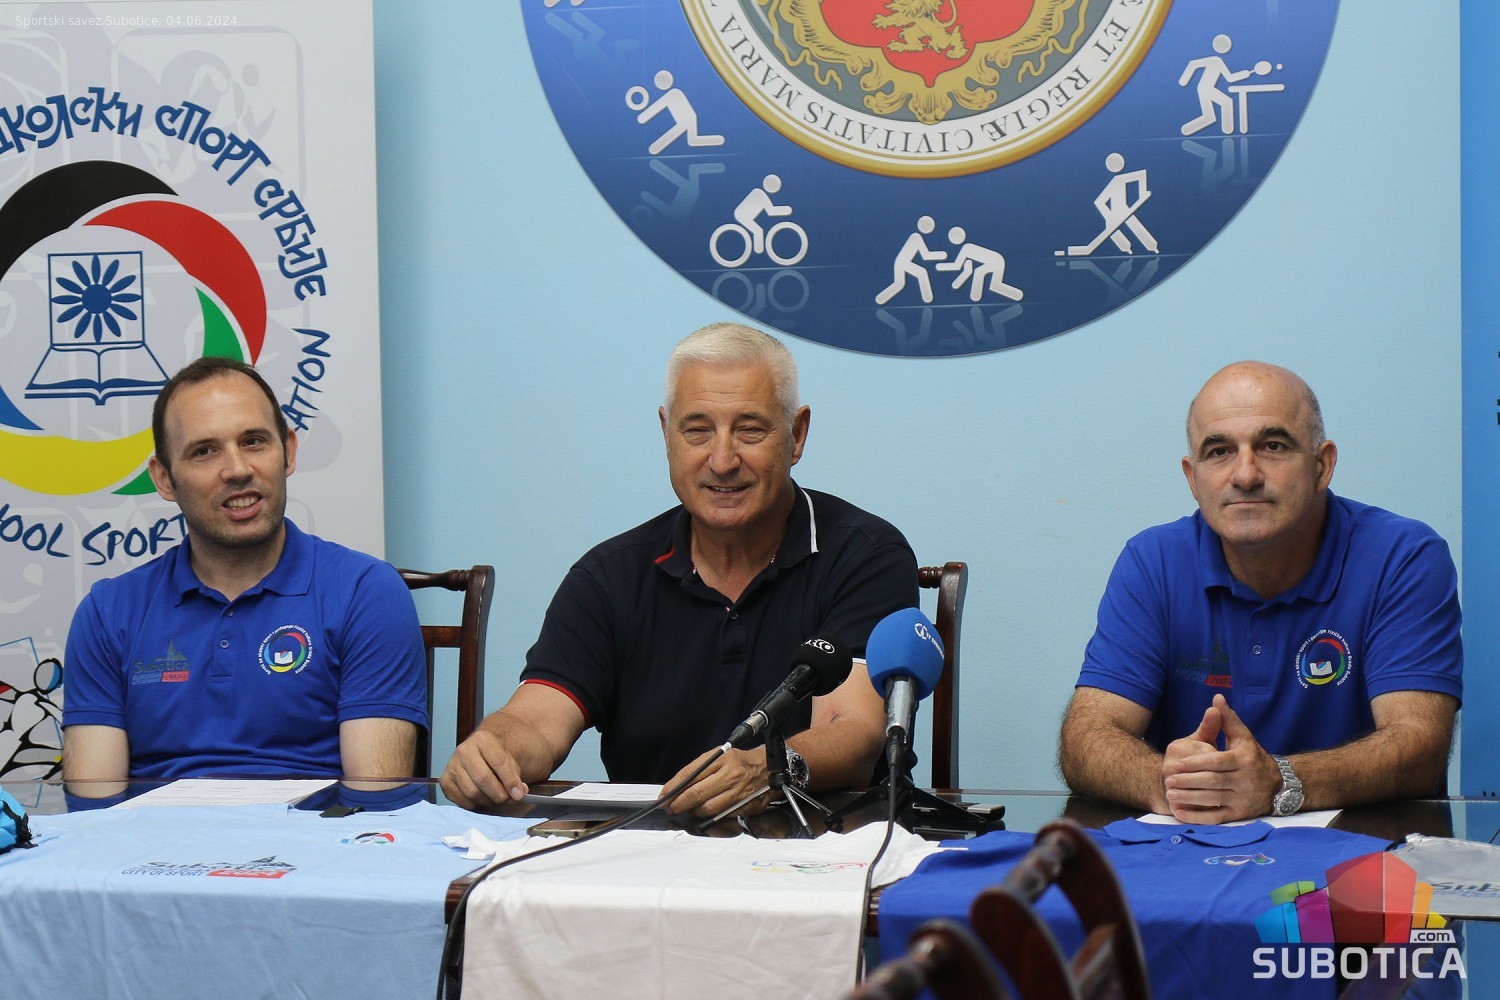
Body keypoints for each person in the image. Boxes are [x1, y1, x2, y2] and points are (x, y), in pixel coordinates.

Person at [441, 323, 918, 818]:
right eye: (697, 431)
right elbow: (537, 722)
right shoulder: (609, 577)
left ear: (796, 436)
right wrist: (493, 749)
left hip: (826, 844)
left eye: (750, 429)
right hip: (650, 846)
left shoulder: (866, 555)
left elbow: (854, 733)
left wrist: (768, 768)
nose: (722, 460)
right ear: (667, 434)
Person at [1058, 361, 1461, 824]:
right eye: (1219, 452)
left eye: (1273, 446)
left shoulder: (1403, 556)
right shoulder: (1153, 561)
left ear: (1322, 465)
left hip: (1362, 853)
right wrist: (1173, 784)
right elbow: (1087, 737)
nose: (1245, 474)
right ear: (1193, 478)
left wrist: (1276, 782)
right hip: (1193, 851)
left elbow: (1419, 745)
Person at [62, 358, 428, 793]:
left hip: (314, 834)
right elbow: (94, 808)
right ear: (164, 479)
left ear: (288, 451)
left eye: (253, 441)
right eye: (204, 451)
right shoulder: (107, 612)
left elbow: (375, 801)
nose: (237, 469)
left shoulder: (367, 592)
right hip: (155, 836)